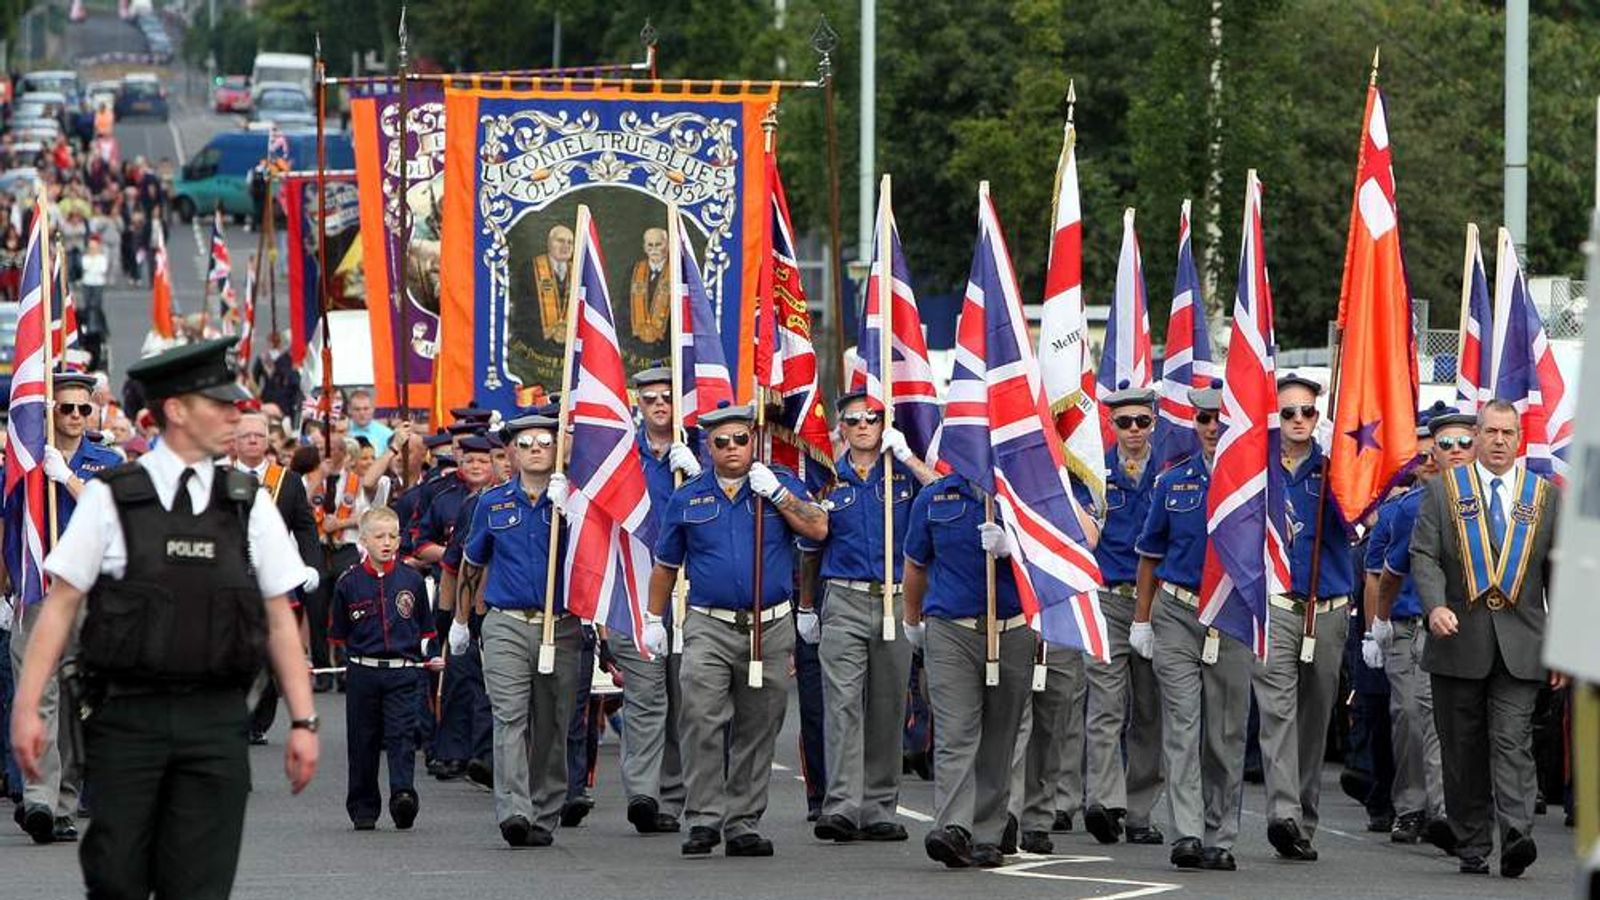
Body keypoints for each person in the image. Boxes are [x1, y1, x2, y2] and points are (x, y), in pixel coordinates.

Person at [9, 337, 318, 898]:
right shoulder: (112, 497)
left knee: (199, 885)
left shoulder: (247, 501)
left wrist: (303, 721)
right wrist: (27, 708)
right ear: (176, 410)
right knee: (117, 880)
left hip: (215, 722)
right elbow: (60, 605)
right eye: (218, 404)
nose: (234, 415)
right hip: (129, 720)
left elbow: (279, 616)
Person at [645, 401, 828, 857]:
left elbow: (818, 529)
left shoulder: (777, 484)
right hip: (709, 624)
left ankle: (743, 821)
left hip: (769, 625)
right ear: (708, 447)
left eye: (740, 439)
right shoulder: (688, 496)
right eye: (721, 441)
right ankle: (703, 818)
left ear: (753, 440)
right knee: (700, 718)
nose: (732, 448)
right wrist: (652, 618)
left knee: (759, 724)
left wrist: (780, 496)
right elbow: (666, 564)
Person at [1409, 399, 1563, 878]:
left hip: (1523, 644)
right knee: (1462, 748)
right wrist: (1435, 606)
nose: (1498, 441)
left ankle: (1517, 835)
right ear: (1476, 435)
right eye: (1490, 431)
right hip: (1457, 640)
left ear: (1519, 440)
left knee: (1512, 740)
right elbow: (1424, 555)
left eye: (1507, 433)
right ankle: (1473, 842)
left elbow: (1558, 573)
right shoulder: (1443, 492)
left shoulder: (1544, 497)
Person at [801, 390, 936, 844]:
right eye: (854, 419)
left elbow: (944, 494)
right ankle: (841, 805)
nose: (863, 425)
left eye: (872, 417)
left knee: (887, 705)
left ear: (884, 424)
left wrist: (909, 457)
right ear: (841, 427)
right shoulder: (827, 478)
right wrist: (806, 607)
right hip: (844, 597)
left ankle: (879, 807)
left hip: (895, 598)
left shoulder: (903, 474)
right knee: (842, 705)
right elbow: (810, 548)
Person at [1133, 380, 1248, 871]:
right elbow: (1149, 555)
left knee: (1224, 732)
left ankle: (1220, 834)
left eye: (1221, 419)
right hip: (1178, 611)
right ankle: (1188, 833)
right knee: (1182, 724)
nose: (1212, 427)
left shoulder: (1255, 484)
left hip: (1233, 615)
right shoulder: (1172, 482)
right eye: (1204, 418)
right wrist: (1141, 620)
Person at [4, 372, 121, 844]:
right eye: (65, 408)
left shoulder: (107, 462)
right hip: (37, 593)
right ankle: (39, 798)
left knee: (75, 702)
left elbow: (112, 516)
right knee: (37, 694)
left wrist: (67, 478)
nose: (74, 416)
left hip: (87, 596)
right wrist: (6, 587)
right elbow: (9, 523)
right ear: (49, 411)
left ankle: (65, 804)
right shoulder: (25, 459)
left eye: (82, 408)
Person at [903, 469, 1032, 869]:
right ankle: (954, 827)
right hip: (951, 630)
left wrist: (1014, 548)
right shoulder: (934, 497)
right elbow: (915, 564)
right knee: (956, 732)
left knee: (1000, 736)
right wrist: (911, 620)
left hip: (1012, 628)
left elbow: (1057, 555)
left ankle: (988, 832)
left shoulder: (1026, 493)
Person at [460, 414, 579, 848]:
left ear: (557, 448)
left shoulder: (575, 501)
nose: (535, 449)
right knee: (509, 716)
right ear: (511, 452)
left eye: (544, 441)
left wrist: (574, 513)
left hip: (559, 626)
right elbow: (473, 562)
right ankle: (514, 809)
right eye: (525, 443)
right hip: (507, 622)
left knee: (551, 721)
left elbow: (598, 559)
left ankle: (544, 810)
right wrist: (460, 621)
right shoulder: (492, 503)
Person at [1255, 372, 1353, 862]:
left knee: (1314, 719)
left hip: (1327, 607)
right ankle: (1284, 815)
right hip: (1276, 605)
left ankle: (1304, 818)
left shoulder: (1338, 468)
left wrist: (1347, 468)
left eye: (1307, 411)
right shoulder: (1256, 468)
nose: (1298, 419)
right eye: (1288, 412)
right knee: (1278, 713)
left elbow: (1361, 520)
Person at [1366, 403, 1471, 845]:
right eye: (1444, 444)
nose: (1453, 450)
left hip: (1465, 628)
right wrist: (1375, 627)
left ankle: (1445, 812)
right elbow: (1378, 573)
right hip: (1409, 626)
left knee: (1442, 719)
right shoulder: (1406, 509)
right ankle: (1410, 807)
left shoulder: (1489, 506)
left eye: (1464, 441)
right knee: (1410, 715)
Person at [609, 365, 696, 834]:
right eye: (651, 399)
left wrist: (698, 474)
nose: (660, 405)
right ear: (638, 405)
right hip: (635, 588)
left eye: (667, 397)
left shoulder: (702, 452)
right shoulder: (622, 456)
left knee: (684, 702)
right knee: (646, 698)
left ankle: (672, 797)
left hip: (690, 591)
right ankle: (643, 794)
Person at [1080, 384, 1165, 847]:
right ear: (1110, 426)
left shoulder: (1170, 471)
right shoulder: (1095, 473)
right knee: (1106, 705)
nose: (1133, 430)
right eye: (1124, 422)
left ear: (1154, 423)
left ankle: (1139, 811)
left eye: (1142, 422)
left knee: (1150, 710)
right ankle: (1104, 803)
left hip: (1156, 604)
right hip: (1108, 600)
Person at [330, 506, 434, 830]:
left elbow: (423, 627)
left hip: (402, 670)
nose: (387, 543)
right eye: (379, 537)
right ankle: (363, 805)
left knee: (402, 735)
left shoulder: (412, 581)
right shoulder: (348, 583)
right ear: (363, 540)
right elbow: (340, 632)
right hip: (363, 671)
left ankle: (403, 795)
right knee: (363, 739)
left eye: (392, 536)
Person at [231, 410, 322, 743]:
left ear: (268, 441)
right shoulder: (219, 478)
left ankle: (259, 720)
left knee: (269, 652)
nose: (253, 441)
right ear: (235, 442)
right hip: (231, 577)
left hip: (271, 580)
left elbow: (305, 527)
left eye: (259, 435)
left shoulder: (288, 480)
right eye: (246, 436)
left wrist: (310, 565)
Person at [528, 224, 573, 342]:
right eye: (560, 241)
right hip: (538, 342)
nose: (566, 246)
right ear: (549, 243)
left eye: (570, 242)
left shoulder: (579, 272)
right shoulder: (530, 269)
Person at [627, 227, 671, 343]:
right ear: (644, 248)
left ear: (667, 245)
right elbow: (623, 308)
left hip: (667, 343)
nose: (654, 249)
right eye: (650, 245)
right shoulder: (634, 271)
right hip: (636, 343)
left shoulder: (677, 272)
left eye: (658, 245)